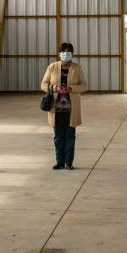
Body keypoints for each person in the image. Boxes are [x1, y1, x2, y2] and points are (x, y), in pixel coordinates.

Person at [40, 42, 88, 170]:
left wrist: (71, 88)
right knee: (58, 136)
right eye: (63, 52)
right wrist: (55, 88)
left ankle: (69, 163)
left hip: (71, 109)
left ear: (72, 53)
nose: (65, 54)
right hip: (56, 109)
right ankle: (59, 162)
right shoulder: (52, 67)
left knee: (70, 136)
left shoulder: (77, 68)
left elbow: (84, 86)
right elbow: (43, 85)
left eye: (68, 52)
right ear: (59, 53)